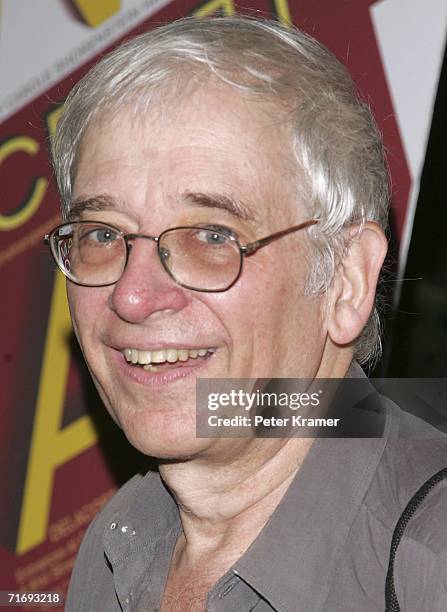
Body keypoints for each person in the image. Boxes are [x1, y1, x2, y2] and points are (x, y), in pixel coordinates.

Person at [45, 16, 447, 611]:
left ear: (347, 279)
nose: (132, 296)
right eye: (103, 234)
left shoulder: (429, 562)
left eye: (211, 235)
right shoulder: (117, 545)